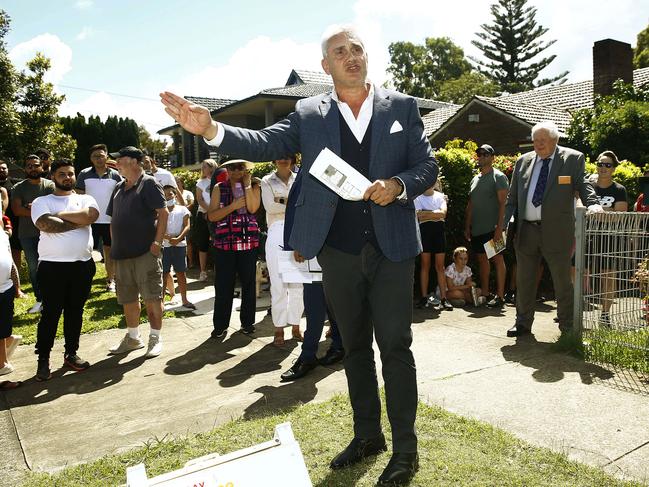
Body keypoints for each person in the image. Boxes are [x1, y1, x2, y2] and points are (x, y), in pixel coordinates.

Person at [161, 23, 437, 485]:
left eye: (356, 49)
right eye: (338, 52)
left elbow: (426, 165)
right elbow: (264, 143)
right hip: (338, 250)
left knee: (395, 345)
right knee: (352, 348)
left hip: (392, 248)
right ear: (326, 66)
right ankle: (368, 435)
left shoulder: (402, 108)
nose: (350, 56)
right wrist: (210, 129)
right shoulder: (310, 113)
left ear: (367, 57)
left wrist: (399, 185)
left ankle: (405, 450)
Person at [504, 121, 602, 338]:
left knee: (562, 282)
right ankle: (522, 324)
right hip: (526, 230)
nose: (538, 144)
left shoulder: (572, 158)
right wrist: (502, 226)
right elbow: (512, 199)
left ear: (555, 140)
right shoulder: (523, 161)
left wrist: (593, 202)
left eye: (543, 141)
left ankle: (567, 328)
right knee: (524, 280)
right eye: (535, 140)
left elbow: (583, 183)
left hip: (557, 231)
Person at [31, 159, 99, 381]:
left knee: (75, 311)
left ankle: (71, 353)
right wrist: (78, 222)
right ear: (53, 176)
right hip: (52, 267)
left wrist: (59, 216)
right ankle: (43, 360)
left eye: (71, 173)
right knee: (50, 313)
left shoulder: (85, 198)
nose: (68, 177)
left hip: (82, 265)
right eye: (62, 174)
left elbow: (91, 216)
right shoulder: (42, 200)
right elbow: (44, 224)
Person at [279, 168, 345, 381]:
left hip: (322, 248)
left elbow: (324, 207)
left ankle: (309, 355)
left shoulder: (327, 165)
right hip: (316, 248)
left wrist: (301, 242)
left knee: (318, 303)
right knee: (325, 302)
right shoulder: (310, 164)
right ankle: (338, 345)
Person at [106, 146, 169, 358]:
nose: (116, 162)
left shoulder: (149, 183)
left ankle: (155, 338)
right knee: (128, 299)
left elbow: (163, 213)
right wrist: (115, 245)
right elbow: (113, 219)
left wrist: (157, 243)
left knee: (152, 297)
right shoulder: (118, 187)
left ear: (134, 161)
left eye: (120, 159)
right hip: (122, 254)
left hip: (145, 253)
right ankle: (133, 338)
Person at [207, 159, 261, 338]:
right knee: (223, 285)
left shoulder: (254, 186)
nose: (237, 171)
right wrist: (233, 207)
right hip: (225, 244)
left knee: (248, 284)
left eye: (241, 168)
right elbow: (212, 216)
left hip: (248, 243)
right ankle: (220, 325)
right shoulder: (219, 188)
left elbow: (253, 208)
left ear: (246, 170)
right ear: (227, 170)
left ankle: (247, 323)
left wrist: (246, 185)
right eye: (233, 168)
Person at [261, 155, 304, 345]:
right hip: (276, 230)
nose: (283, 160)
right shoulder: (266, 181)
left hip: (296, 230)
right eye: (279, 157)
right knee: (278, 283)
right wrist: (291, 203)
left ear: (293, 160)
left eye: (287, 157)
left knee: (297, 284)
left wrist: (282, 200)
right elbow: (270, 206)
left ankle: (296, 325)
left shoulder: (299, 179)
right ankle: (278, 328)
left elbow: (303, 206)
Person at [465, 144, 509, 308]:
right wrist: (467, 226)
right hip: (477, 229)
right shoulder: (475, 179)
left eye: (485, 154)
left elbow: (504, 204)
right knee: (482, 260)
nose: (481, 156)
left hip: (493, 228)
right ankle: (485, 292)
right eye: (479, 154)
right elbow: (471, 205)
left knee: (498, 259)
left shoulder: (498, 177)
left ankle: (500, 296)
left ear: (492, 157)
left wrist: (500, 227)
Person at [10, 155, 55, 313]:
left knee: (53, 266)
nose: (33, 168)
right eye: (29, 166)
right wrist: (41, 209)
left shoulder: (50, 185)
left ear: (42, 167)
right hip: (27, 235)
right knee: (34, 268)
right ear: (25, 169)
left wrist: (31, 207)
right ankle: (40, 300)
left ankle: (55, 299)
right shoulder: (18, 188)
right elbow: (17, 210)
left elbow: (54, 208)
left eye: (36, 165)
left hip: (50, 232)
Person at [75, 144, 122, 292]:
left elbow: (121, 196)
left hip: (110, 220)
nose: (99, 159)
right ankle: (84, 282)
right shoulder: (84, 174)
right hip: (90, 221)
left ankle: (110, 281)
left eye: (101, 155)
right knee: (86, 252)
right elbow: (78, 196)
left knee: (110, 252)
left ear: (106, 156)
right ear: (91, 159)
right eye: (96, 156)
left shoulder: (115, 175)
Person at [591, 151, 628, 326]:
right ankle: (572, 310)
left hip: (610, 239)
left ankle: (605, 314)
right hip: (587, 236)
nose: (603, 168)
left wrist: (596, 212)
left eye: (608, 165)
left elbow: (619, 215)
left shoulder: (619, 190)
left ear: (613, 169)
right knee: (577, 270)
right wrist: (608, 212)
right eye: (600, 164)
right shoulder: (588, 187)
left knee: (608, 277)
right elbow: (579, 208)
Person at [414, 178, 450, 310]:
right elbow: (418, 216)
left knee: (440, 266)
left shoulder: (441, 196)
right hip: (424, 234)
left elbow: (443, 214)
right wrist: (435, 214)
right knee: (425, 265)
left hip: (439, 234)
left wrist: (426, 213)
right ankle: (424, 297)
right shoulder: (417, 197)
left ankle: (444, 299)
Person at [161, 185, 195, 310]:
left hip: (180, 245)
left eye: (170, 194)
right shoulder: (160, 211)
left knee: (181, 272)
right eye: (164, 195)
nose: (167, 197)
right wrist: (166, 237)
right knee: (164, 273)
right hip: (165, 246)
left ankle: (184, 299)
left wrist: (178, 238)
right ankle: (162, 300)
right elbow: (156, 226)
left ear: (175, 195)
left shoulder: (182, 210)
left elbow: (187, 226)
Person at [0, 217, 22, 390]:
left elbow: (11, 263)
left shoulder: (2, 234)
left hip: (5, 289)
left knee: (3, 329)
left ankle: (2, 364)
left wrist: (17, 287)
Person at [194, 159, 217, 281]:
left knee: (218, 243)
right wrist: (211, 210)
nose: (203, 169)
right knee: (203, 243)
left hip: (218, 215)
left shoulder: (220, 180)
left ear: (212, 167)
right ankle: (203, 271)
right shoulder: (200, 183)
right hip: (203, 215)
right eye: (202, 167)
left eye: (205, 166)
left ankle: (218, 269)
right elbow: (200, 199)